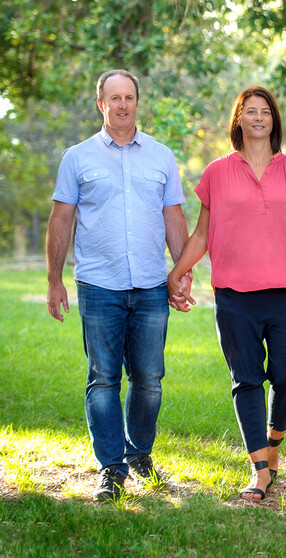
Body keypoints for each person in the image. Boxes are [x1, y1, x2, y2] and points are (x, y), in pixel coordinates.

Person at [167, 85, 286, 501]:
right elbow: (202, 234)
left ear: (274, 121)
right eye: (249, 111)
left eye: (265, 112)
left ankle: (273, 444)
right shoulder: (217, 172)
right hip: (234, 295)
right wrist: (177, 271)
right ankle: (259, 469)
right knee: (247, 379)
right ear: (238, 120)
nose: (257, 118)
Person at [45, 69, 190, 501]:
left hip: (149, 286)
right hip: (98, 285)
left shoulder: (161, 157)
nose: (123, 104)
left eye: (129, 97)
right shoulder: (77, 157)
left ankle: (139, 452)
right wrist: (54, 280)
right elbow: (61, 219)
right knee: (103, 379)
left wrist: (180, 272)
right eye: (114, 98)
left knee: (149, 380)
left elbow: (174, 218)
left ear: (137, 102)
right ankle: (111, 467)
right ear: (101, 104)